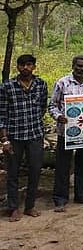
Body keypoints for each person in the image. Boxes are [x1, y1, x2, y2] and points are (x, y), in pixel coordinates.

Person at [0, 54, 48, 222]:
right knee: (12, 172)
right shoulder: (7, 86)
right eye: (22, 65)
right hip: (14, 136)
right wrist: (4, 140)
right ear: (17, 67)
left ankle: (30, 206)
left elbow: (43, 107)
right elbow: (2, 114)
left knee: (35, 171)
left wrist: (35, 123)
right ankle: (13, 208)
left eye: (29, 65)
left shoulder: (41, 84)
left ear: (34, 66)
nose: (25, 68)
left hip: (35, 135)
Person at [49, 55, 83, 211]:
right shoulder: (62, 83)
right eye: (79, 66)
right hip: (65, 132)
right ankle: (60, 199)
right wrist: (59, 117)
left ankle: (81, 195)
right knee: (63, 166)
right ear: (73, 65)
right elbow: (52, 106)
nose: (82, 69)